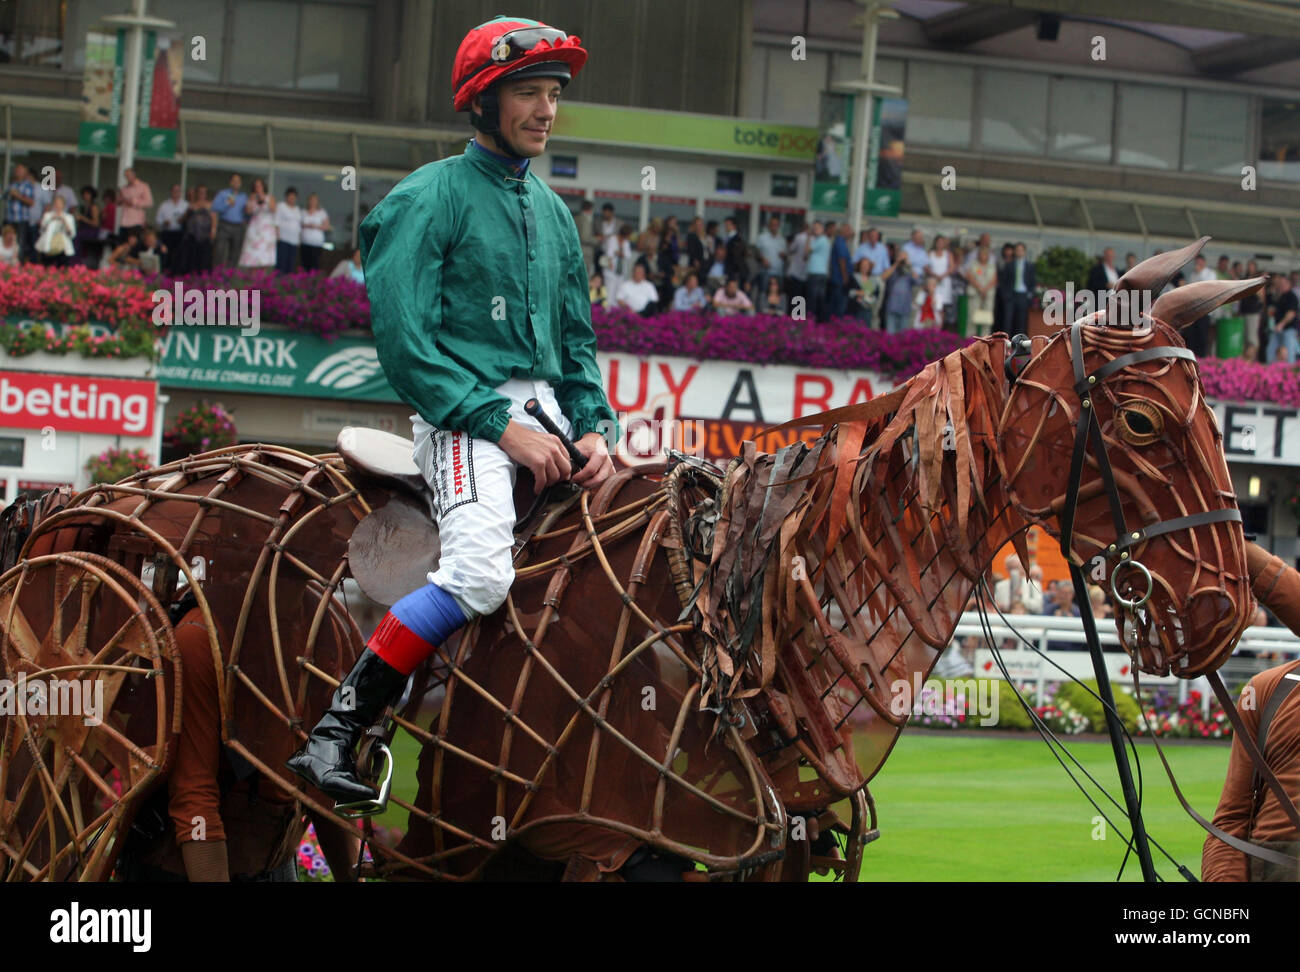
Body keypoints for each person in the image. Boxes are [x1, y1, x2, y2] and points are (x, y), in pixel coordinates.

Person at [287, 15, 618, 805]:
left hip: (554, 418)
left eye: (553, 96)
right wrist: (502, 427)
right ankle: (336, 732)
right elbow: (405, 348)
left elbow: (577, 346)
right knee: (478, 575)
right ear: (483, 101)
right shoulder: (424, 198)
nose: (546, 110)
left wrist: (599, 427)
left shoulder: (555, 213)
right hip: (463, 418)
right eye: (529, 94)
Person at [998, 242, 1035, 337]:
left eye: (1021, 250)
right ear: (1015, 251)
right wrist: (1005, 295)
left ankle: (1020, 342)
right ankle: (1006, 342)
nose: (1019, 252)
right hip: (1011, 295)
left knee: (1021, 321)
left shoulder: (1029, 266)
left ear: (1024, 252)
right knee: (1007, 320)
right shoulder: (1009, 265)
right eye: (1017, 250)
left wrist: (1029, 294)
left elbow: (1032, 281)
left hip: (1023, 295)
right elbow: (1003, 281)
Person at [177, 185, 216, 275]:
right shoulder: (191, 205)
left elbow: (214, 219)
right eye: (199, 192)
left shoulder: (210, 205)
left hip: (205, 235)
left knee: (204, 258)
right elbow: (182, 219)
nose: (201, 194)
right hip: (192, 235)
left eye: (203, 192)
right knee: (192, 258)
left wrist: (213, 231)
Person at [238, 177, 277, 268]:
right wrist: (252, 201)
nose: (258, 188)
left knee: (265, 255)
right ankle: (253, 278)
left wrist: (264, 200)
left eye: (260, 186)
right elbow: (248, 212)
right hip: (255, 227)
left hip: (266, 228)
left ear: (263, 187)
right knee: (253, 255)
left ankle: (263, 279)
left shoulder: (269, 197)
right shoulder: (252, 198)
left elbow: (273, 209)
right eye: (256, 186)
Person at [212, 174, 248, 267]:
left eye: (238, 181)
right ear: (230, 182)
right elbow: (214, 208)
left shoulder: (243, 196)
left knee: (235, 253)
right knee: (219, 251)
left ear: (240, 184)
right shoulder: (223, 193)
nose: (236, 183)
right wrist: (227, 203)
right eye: (234, 181)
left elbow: (247, 213)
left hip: (238, 227)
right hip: (224, 225)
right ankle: (217, 276)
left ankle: (229, 276)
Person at [5, 164, 38, 262]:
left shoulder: (28, 185)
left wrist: (18, 196)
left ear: (25, 172)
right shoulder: (12, 185)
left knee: (20, 243)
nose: (17, 171)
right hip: (9, 219)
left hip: (21, 220)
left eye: (20, 170)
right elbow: (4, 198)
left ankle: (18, 264)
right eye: (17, 169)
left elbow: (31, 202)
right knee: (7, 241)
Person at [965, 244, 997, 336]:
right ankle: (970, 338)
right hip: (975, 293)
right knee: (972, 316)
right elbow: (970, 277)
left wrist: (985, 289)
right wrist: (980, 288)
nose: (983, 256)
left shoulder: (992, 266)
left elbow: (994, 279)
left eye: (985, 254)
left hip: (988, 294)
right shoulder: (973, 264)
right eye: (981, 254)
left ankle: (985, 338)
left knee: (987, 318)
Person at [35, 195, 75, 267]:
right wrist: (50, 220)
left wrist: (64, 222)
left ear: (63, 205)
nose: (58, 206)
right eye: (56, 204)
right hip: (48, 244)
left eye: (60, 204)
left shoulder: (69, 217)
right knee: (46, 265)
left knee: (62, 267)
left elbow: (72, 234)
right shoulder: (47, 215)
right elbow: (41, 230)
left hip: (63, 246)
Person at [1265, 275, 1299, 363]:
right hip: (1277, 329)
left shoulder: (1291, 296)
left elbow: (1291, 313)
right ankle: (1271, 369)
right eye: (1280, 284)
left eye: (1282, 283)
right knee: (1271, 350)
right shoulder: (1280, 296)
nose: (1280, 285)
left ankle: (1291, 373)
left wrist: (1281, 324)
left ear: (1288, 284)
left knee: (1288, 352)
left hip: (1288, 329)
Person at [155, 184, 187, 273]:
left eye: (178, 191)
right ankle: (166, 273)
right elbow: (158, 219)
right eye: (174, 191)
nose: (176, 193)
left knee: (179, 255)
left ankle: (177, 275)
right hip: (167, 233)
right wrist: (164, 222)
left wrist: (183, 221)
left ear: (180, 193)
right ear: (171, 192)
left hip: (180, 233)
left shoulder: (185, 205)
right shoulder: (164, 205)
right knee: (166, 254)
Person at [755, 215, 786, 300]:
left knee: (777, 294)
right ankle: (761, 312)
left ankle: (775, 312)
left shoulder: (782, 239)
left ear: (778, 226)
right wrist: (762, 259)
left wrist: (784, 256)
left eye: (776, 225)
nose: (774, 227)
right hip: (765, 271)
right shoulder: (762, 237)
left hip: (778, 272)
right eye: (772, 225)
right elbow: (756, 252)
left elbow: (785, 256)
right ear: (769, 226)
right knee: (763, 293)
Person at [804, 221, 831, 322]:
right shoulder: (819, 240)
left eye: (817, 228)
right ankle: (818, 321)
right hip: (819, 273)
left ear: (822, 229)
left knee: (813, 300)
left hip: (816, 273)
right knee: (818, 299)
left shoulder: (821, 240)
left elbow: (806, 250)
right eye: (813, 228)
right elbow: (806, 256)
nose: (815, 231)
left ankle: (812, 321)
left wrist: (808, 237)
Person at [74, 186, 104, 268]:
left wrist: (82, 218)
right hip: (84, 229)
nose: (85, 196)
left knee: (77, 238)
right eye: (84, 194)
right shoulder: (85, 207)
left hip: (91, 231)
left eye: (87, 194)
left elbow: (96, 223)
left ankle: (77, 262)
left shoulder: (94, 207)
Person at [299, 194, 331, 271]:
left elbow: (327, 226)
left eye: (314, 200)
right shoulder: (303, 212)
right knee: (305, 263)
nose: (312, 202)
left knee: (315, 264)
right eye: (311, 200)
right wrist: (307, 225)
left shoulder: (322, 212)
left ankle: (313, 281)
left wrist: (316, 226)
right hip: (305, 242)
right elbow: (298, 224)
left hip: (316, 243)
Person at [274, 186, 302, 273]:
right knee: (281, 262)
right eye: (290, 196)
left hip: (294, 240)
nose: (292, 198)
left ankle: (287, 284)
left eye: (294, 196)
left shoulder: (297, 209)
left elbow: (298, 224)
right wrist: (278, 236)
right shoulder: (281, 206)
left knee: (291, 264)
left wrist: (299, 239)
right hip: (283, 238)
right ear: (286, 196)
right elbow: (276, 221)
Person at [118, 168, 153, 237]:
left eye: (128, 176)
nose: (127, 178)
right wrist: (120, 200)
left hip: (136, 222)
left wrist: (134, 201)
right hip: (124, 222)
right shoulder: (124, 188)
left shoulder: (143, 186)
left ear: (134, 175)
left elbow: (149, 202)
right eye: (126, 176)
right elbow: (120, 203)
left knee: (134, 245)